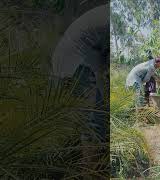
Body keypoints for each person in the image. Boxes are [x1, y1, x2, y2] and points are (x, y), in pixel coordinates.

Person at [50, 4, 107, 176]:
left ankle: (87, 163)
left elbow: (104, 63)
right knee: (94, 119)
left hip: (75, 57)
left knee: (93, 115)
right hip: (77, 59)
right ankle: (90, 172)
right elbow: (104, 63)